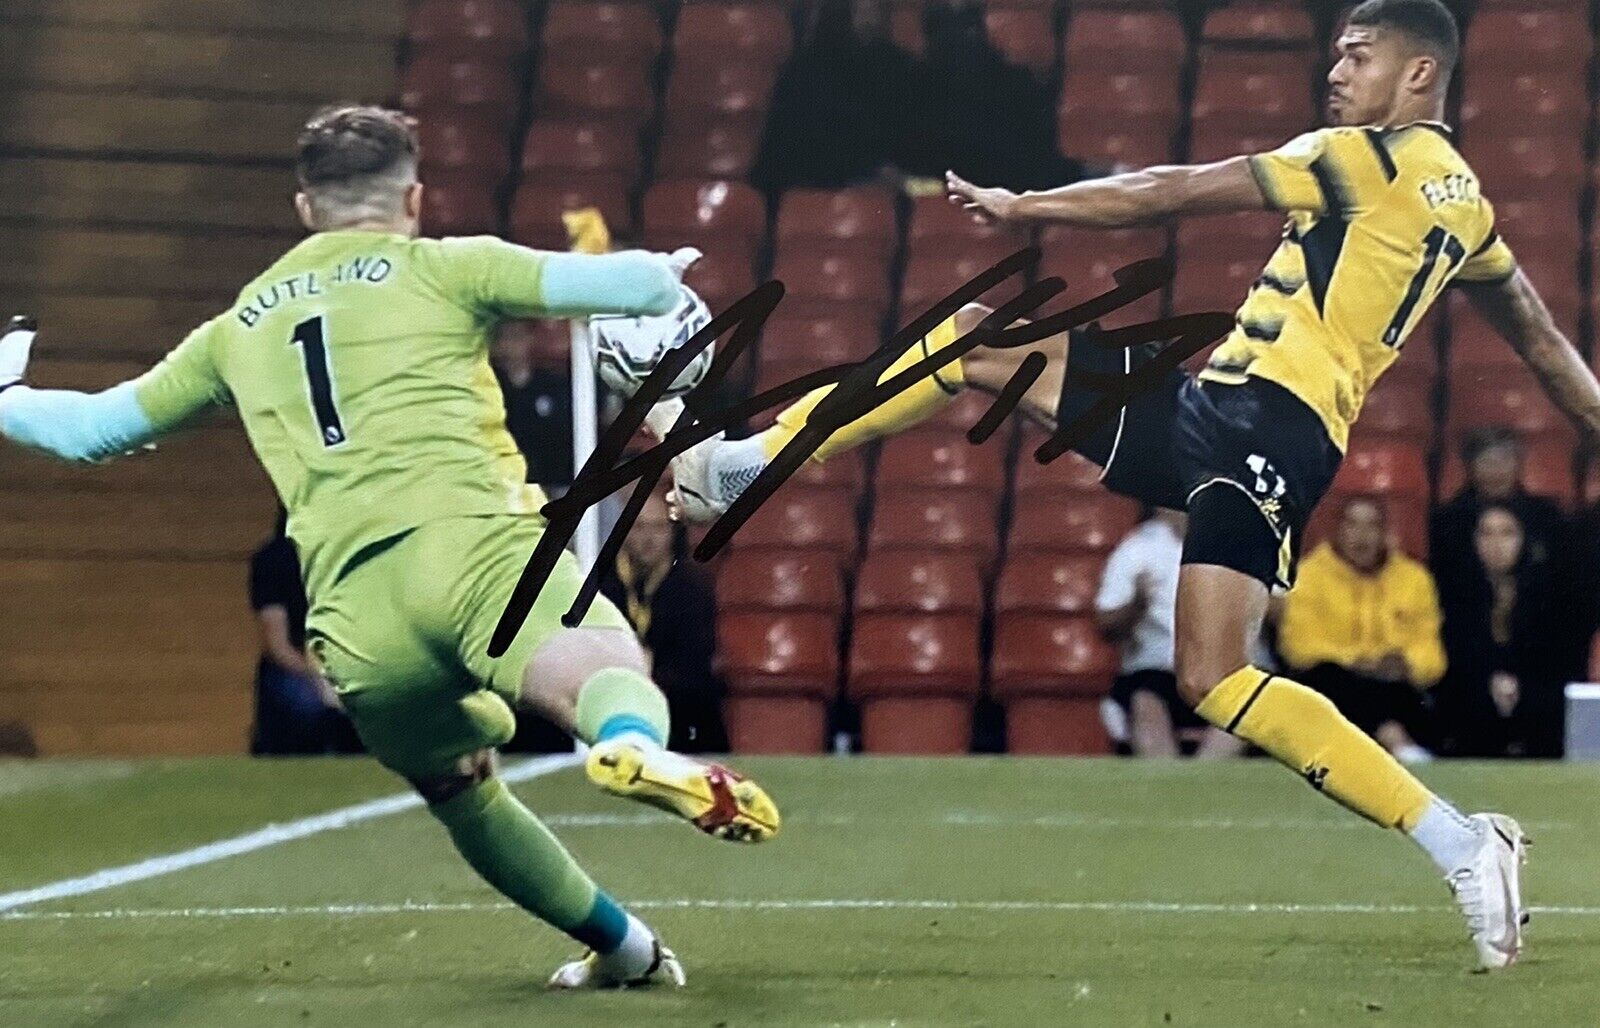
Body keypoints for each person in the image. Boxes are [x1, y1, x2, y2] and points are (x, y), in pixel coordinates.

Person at [662, 0, 1600, 969]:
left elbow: (1174, 190)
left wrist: (1031, 207)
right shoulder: (1468, 208)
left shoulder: (1362, 158)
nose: (1335, 73)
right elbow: (1542, 344)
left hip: (1266, 434)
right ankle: (750, 464)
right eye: (1335, 54)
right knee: (982, 340)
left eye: (1357, 57)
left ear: (1418, 76)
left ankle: (1461, 839)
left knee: (1215, 675)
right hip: (1212, 412)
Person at [0, 105, 781, 990]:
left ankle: (625, 950)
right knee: (603, 666)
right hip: (477, 551)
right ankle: (636, 744)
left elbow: (93, 430)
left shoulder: (238, 325)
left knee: (463, 788)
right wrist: (664, 282)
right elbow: (628, 286)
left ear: (305, 208)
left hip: (354, 614)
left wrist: (6, 391)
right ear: (413, 196)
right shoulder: (448, 265)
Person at [1278, 497, 1445, 764]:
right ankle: (1395, 741)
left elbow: (1431, 650)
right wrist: (1356, 660)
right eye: (1353, 525)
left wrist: (1406, 663)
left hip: (1393, 684)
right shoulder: (1309, 575)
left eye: (1372, 526)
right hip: (1334, 682)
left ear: (1385, 532)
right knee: (1330, 679)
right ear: (1337, 530)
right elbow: (1298, 646)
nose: (1362, 536)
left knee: (1411, 692)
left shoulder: (1414, 578)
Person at [1095, 508, 1241, 757]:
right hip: (1157, 670)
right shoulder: (1136, 550)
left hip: (1225, 668)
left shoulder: (1237, 547)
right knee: (1146, 702)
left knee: (1245, 706)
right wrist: (1138, 604)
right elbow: (1106, 623)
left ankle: (1205, 781)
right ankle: (1167, 781)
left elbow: (1280, 612)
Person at [600, 491, 728, 753]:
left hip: (676, 704)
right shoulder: (600, 586)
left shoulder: (693, 588)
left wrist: (653, 671)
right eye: (639, 527)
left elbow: (696, 662)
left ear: (672, 532)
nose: (648, 539)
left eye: (659, 528)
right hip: (612, 693)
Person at [1437, 505, 1569, 758]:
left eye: (1507, 533)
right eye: (1486, 534)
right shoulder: (1456, 593)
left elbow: (1556, 659)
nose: (1496, 544)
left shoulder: (1549, 594)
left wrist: (1519, 686)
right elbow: (1455, 655)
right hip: (1474, 695)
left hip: (1534, 697)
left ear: (1524, 539)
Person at [249, 507, 361, 755]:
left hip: (344, 660)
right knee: (309, 705)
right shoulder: (274, 561)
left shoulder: (345, 560)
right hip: (296, 665)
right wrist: (319, 677)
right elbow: (277, 645)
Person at [1429, 425, 1565, 609]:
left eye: (1504, 460)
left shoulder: (1547, 516)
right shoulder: (1447, 521)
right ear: (1469, 467)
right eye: (1486, 461)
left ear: (1518, 464)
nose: (1496, 470)